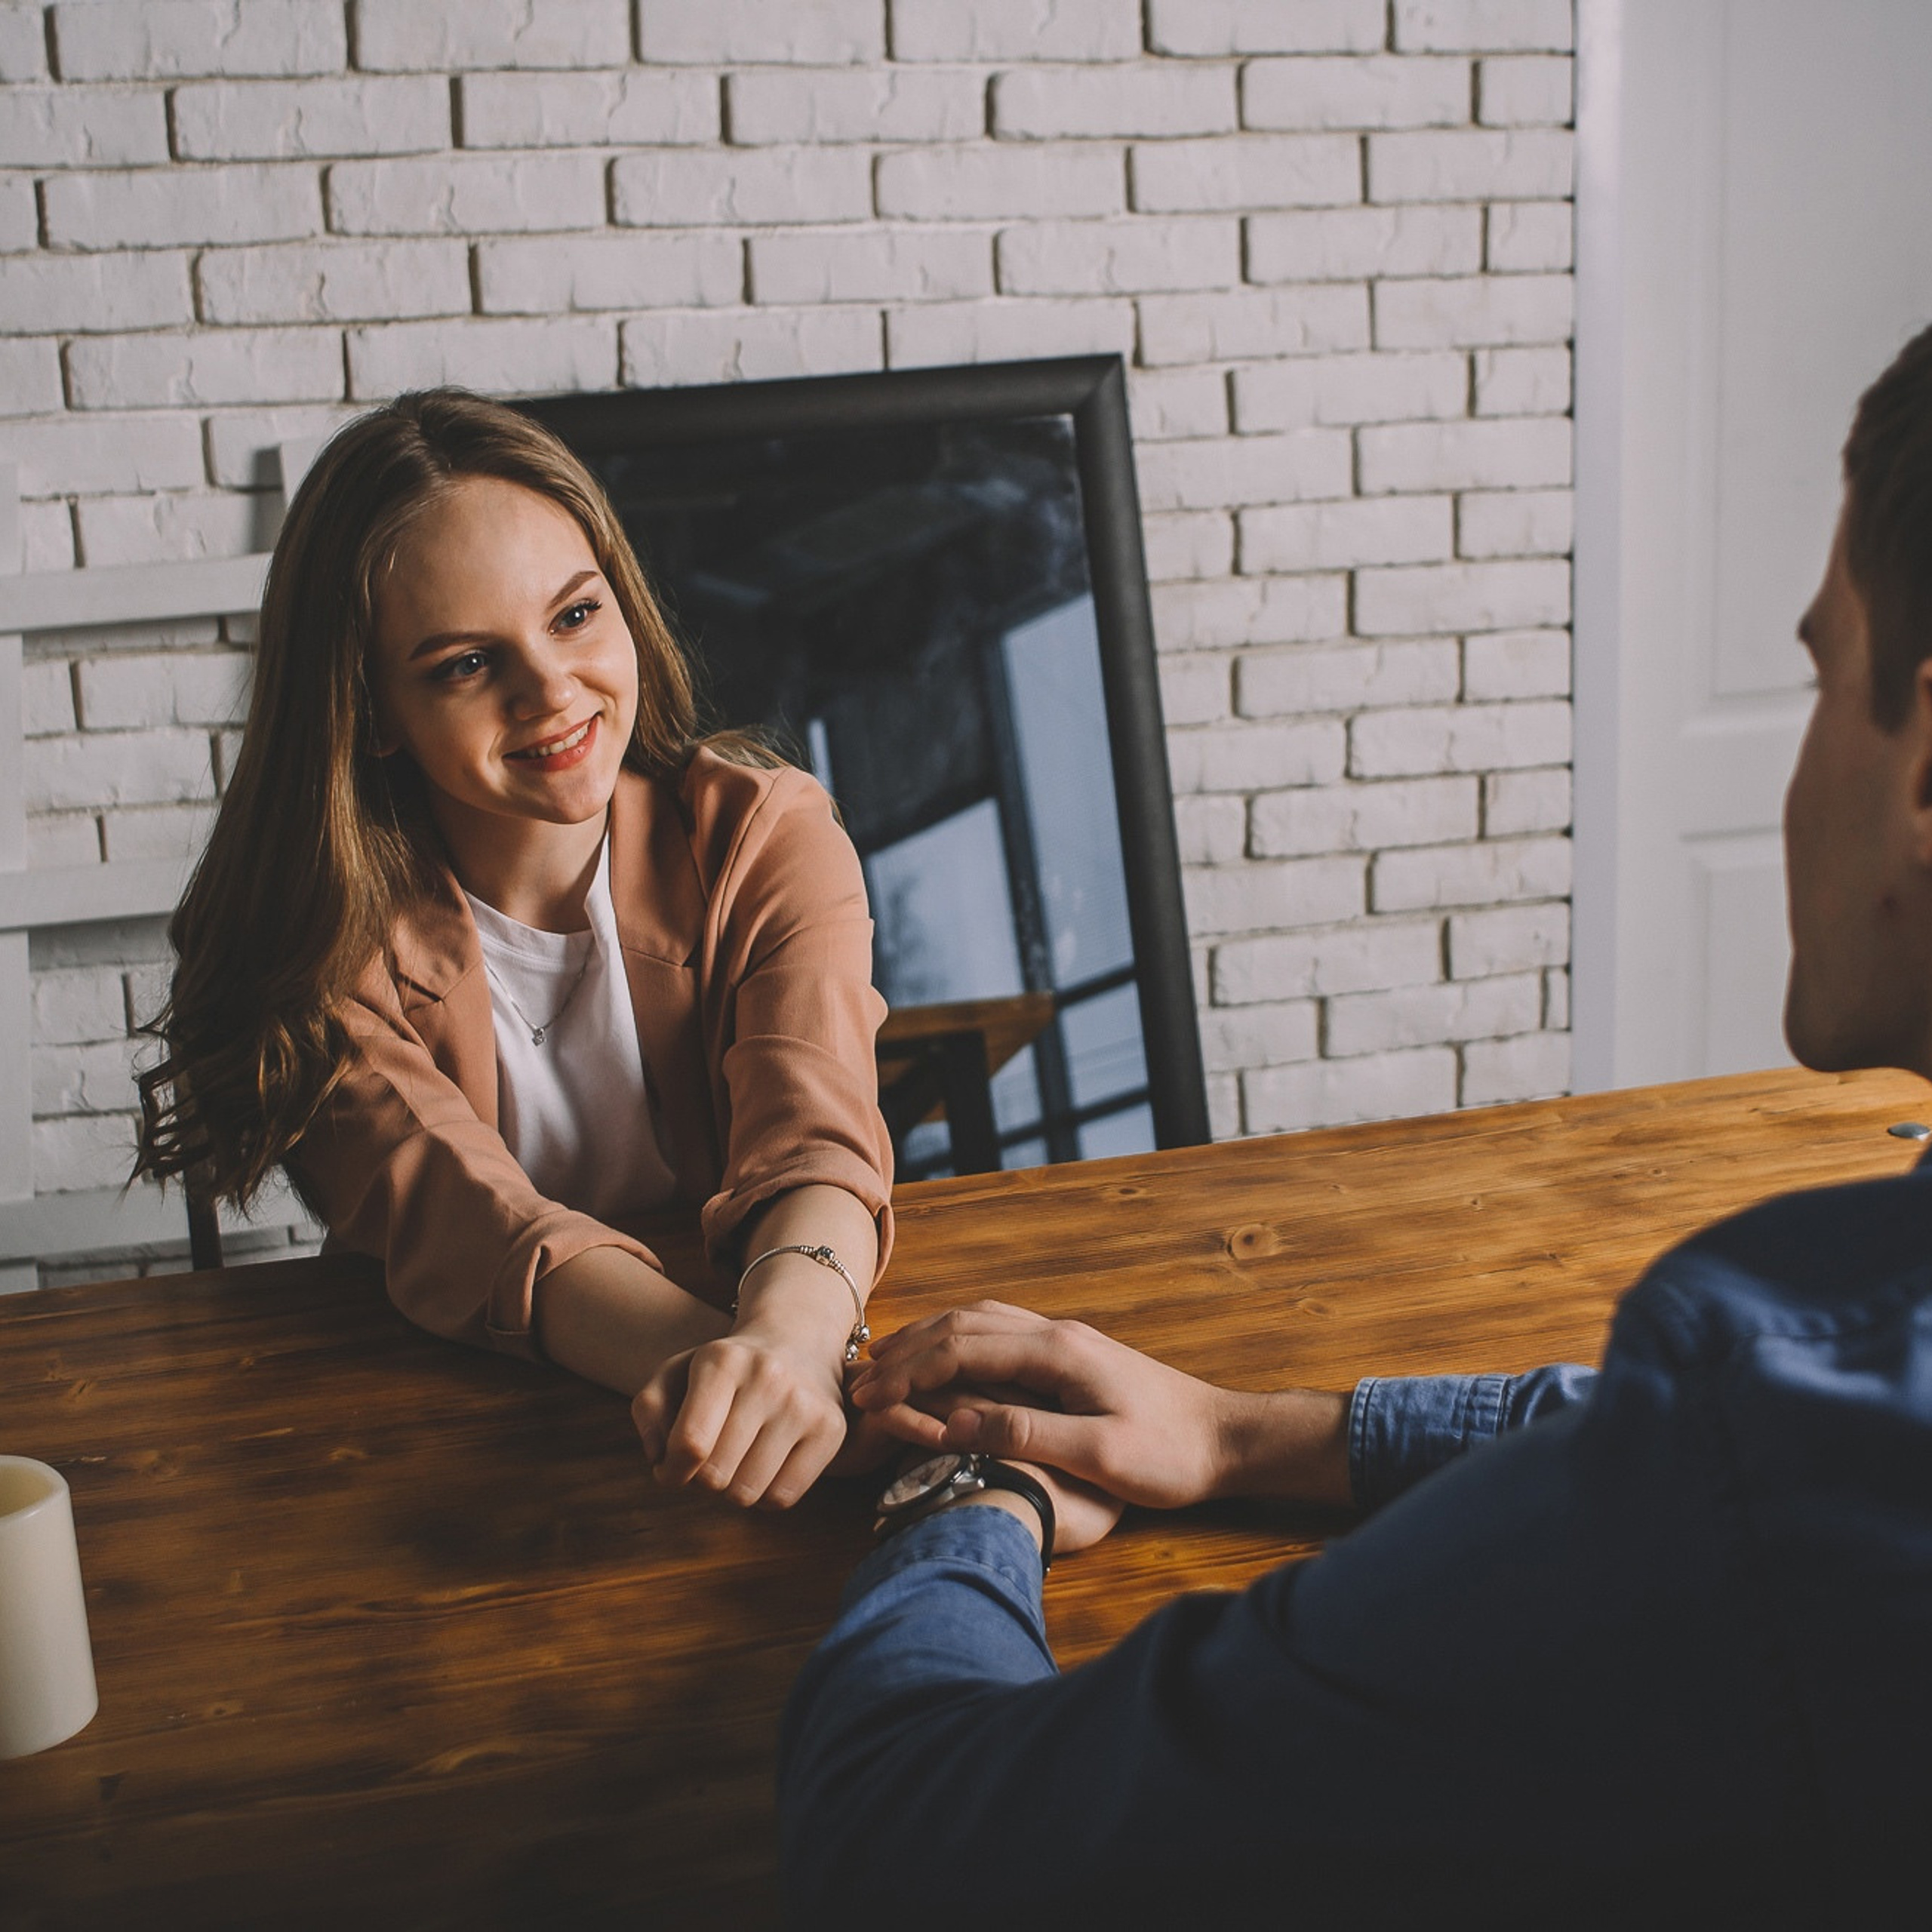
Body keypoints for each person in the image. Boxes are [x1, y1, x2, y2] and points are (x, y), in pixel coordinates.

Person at [776, 328, 1932, 1925]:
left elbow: (908, 1843)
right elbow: (1695, 1441)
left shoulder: (1770, 1448)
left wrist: (965, 1502)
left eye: (1819, 676)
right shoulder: (1823, 1391)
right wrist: (1242, 1429)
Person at [134, 389, 894, 1512]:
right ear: (373, 710)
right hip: (448, 1459)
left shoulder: (766, 835)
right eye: (463, 665)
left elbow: (816, 1144)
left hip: (759, 1403)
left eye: (576, 617)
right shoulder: (320, 947)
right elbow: (481, 1230)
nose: (552, 691)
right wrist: (742, 1380)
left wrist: (790, 1341)